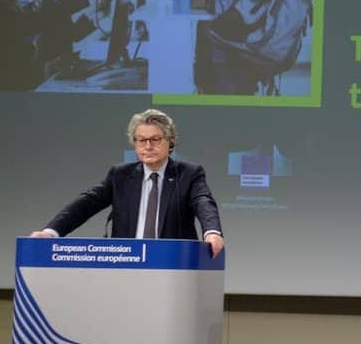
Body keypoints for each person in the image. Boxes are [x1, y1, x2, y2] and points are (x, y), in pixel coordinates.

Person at [30, 108, 225, 258]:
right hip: (126, 264)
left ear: (170, 141)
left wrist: (212, 231)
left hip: (172, 266)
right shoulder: (120, 175)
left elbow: (203, 202)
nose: (147, 146)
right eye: (141, 140)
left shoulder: (189, 174)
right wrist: (51, 232)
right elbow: (87, 203)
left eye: (155, 140)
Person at [38, 0, 97, 66]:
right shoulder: (49, 4)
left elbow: (72, 34)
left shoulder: (58, 1)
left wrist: (96, 12)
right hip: (53, 67)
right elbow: (68, 35)